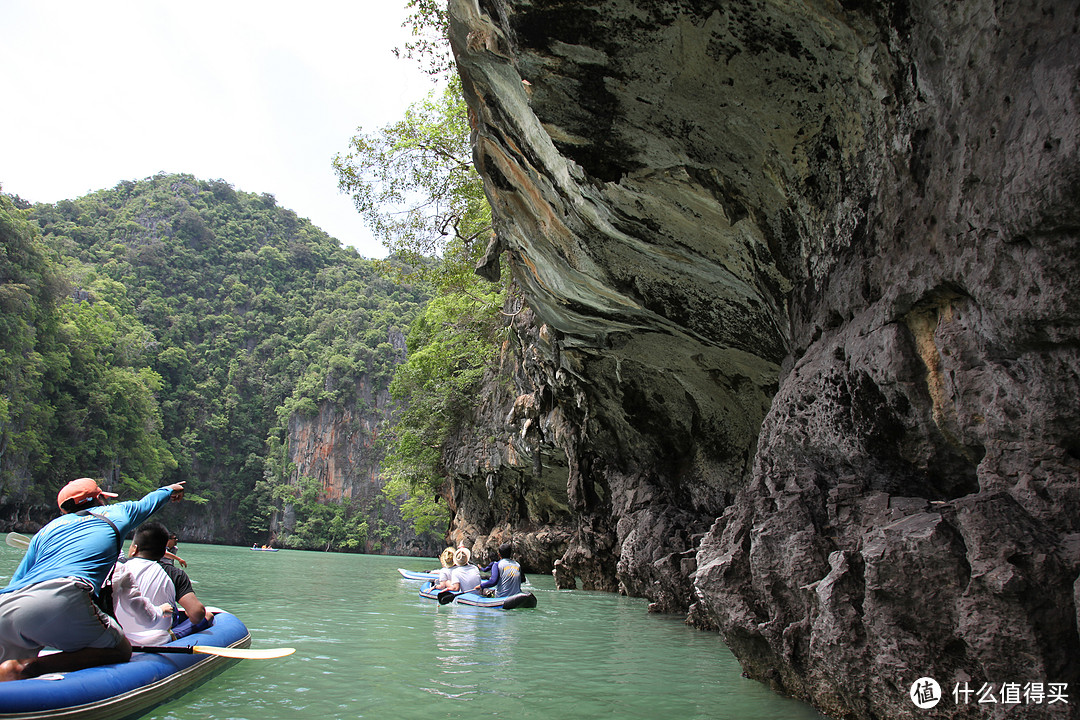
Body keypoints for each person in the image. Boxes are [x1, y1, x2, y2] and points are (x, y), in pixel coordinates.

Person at [0, 478, 186, 681]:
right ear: (99, 499)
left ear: (64, 510)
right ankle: (29, 668)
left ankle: (15, 675)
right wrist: (170, 490)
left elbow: (17, 581)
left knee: (7, 677)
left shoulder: (46, 531)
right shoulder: (116, 513)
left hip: (8, 604)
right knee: (121, 649)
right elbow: (147, 504)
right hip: (64, 597)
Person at [111, 522, 212, 645]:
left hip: (117, 638)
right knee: (207, 615)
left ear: (135, 549)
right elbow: (196, 614)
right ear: (164, 551)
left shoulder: (116, 569)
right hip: (157, 640)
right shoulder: (174, 574)